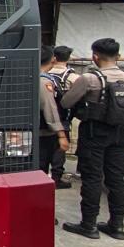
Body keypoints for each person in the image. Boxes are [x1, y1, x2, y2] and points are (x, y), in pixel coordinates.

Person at [60, 38, 124, 240]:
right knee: (116, 179)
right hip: (121, 134)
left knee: (92, 178)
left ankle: (88, 225)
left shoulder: (90, 79)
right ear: (119, 56)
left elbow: (66, 101)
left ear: (95, 56)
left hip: (95, 133)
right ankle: (117, 226)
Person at [48, 45, 80, 186]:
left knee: (42, 147)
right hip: (64, 118)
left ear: (53, 57)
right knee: (60, 150)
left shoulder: (45, 73)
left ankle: (41, 176)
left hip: (45, 117)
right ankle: (56, 177)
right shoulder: (74, 77)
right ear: (69, 58)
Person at [38, 46, 69, 179]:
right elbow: (50, 108)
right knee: (41, 167)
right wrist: (61, 134)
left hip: (38, 130)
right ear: (53, 59)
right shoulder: (44, 80)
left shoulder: (32, 76)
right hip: (45, 132)